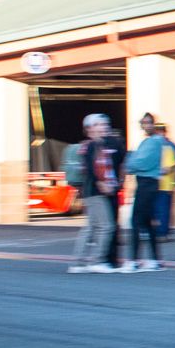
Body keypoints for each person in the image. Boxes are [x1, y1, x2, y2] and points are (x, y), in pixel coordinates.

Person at [69, 113, 124, 273]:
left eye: (105, 124)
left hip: (95, 191)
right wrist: (102, 184)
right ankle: (98, 261)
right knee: (107, 226)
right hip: (95, 192)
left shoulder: (99, 145)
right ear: (91, 128)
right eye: (100, 124)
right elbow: (91, 170)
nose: (104, 126)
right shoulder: (92, 146)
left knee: (91, 227)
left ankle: (78, 263)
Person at [123, 113, 165, 271]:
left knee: (136, 221)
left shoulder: (152, 142)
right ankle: (154, 260)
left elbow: (139, 163)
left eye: (148, 123)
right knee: (148, 223)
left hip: (146, 183)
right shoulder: (152, 141)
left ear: (154, 124)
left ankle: (133, 261)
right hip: (149, 183)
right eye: (143, 123)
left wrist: (129, 161)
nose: (145, 125)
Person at [153, 121, 175, 242]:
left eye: (160, 131)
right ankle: (164, 231)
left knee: (162, 210)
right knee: (160, 210)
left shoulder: (169, 146)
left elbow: (172, 167)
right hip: (158, 184)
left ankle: (163, 232)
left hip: (165, 184)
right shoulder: (158, 145)